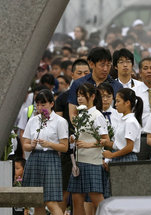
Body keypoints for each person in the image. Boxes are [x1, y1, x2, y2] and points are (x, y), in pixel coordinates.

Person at [22, 89, 68, 215]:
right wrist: (31, 145)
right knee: (38, 202)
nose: (40, 107)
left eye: (43, 104)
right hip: (35, 158)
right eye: (37, 104)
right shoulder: (33, 120)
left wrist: (49, 144)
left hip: (51, 159)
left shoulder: (60, 121)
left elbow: (64, 147)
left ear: (52, 104)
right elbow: (24, 145)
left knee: (51, 201)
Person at [54, 59, 91, 213]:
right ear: (72, 74)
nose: (83, 76)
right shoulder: (63, 98)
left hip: (88, 149)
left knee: (83, 192)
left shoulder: (93, 96)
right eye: (79, 73)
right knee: (64, 191)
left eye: (86, 73)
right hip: (68, 150)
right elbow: (58, 124)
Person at [67, 83, 110, 215]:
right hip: (79, 162)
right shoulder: (81, 115)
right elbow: (85, 135)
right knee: (76, 199)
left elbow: (106, 140)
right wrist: (74, 138)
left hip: (92, 162)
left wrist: (89, 144)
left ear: (92, 96)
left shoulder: (97, 115)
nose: (79, 98)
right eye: (78, 95)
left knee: (97, 200)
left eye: (82, 95)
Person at [68, 47, 123, 122]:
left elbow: (121, 113)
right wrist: (83, 129)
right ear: (91, 64)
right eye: (102, 65)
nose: (105, 69)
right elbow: (73, 113)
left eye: (108, 65)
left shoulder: (117, 86)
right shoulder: (79, 84)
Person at [103, 88, 143, 162]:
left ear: (127, 103)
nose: (115, 104)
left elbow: (129, 147)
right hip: (119, 156)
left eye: (118, 101)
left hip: (127, 158)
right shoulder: (123, 119)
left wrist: (112, 155)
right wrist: (107, 143)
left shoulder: (130, 121)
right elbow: (120, 145)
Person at [133, 57, 151, 160]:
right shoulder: (133, 93)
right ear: (140, 72)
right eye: (145, 68)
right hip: (141, 138)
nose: (149, 71)